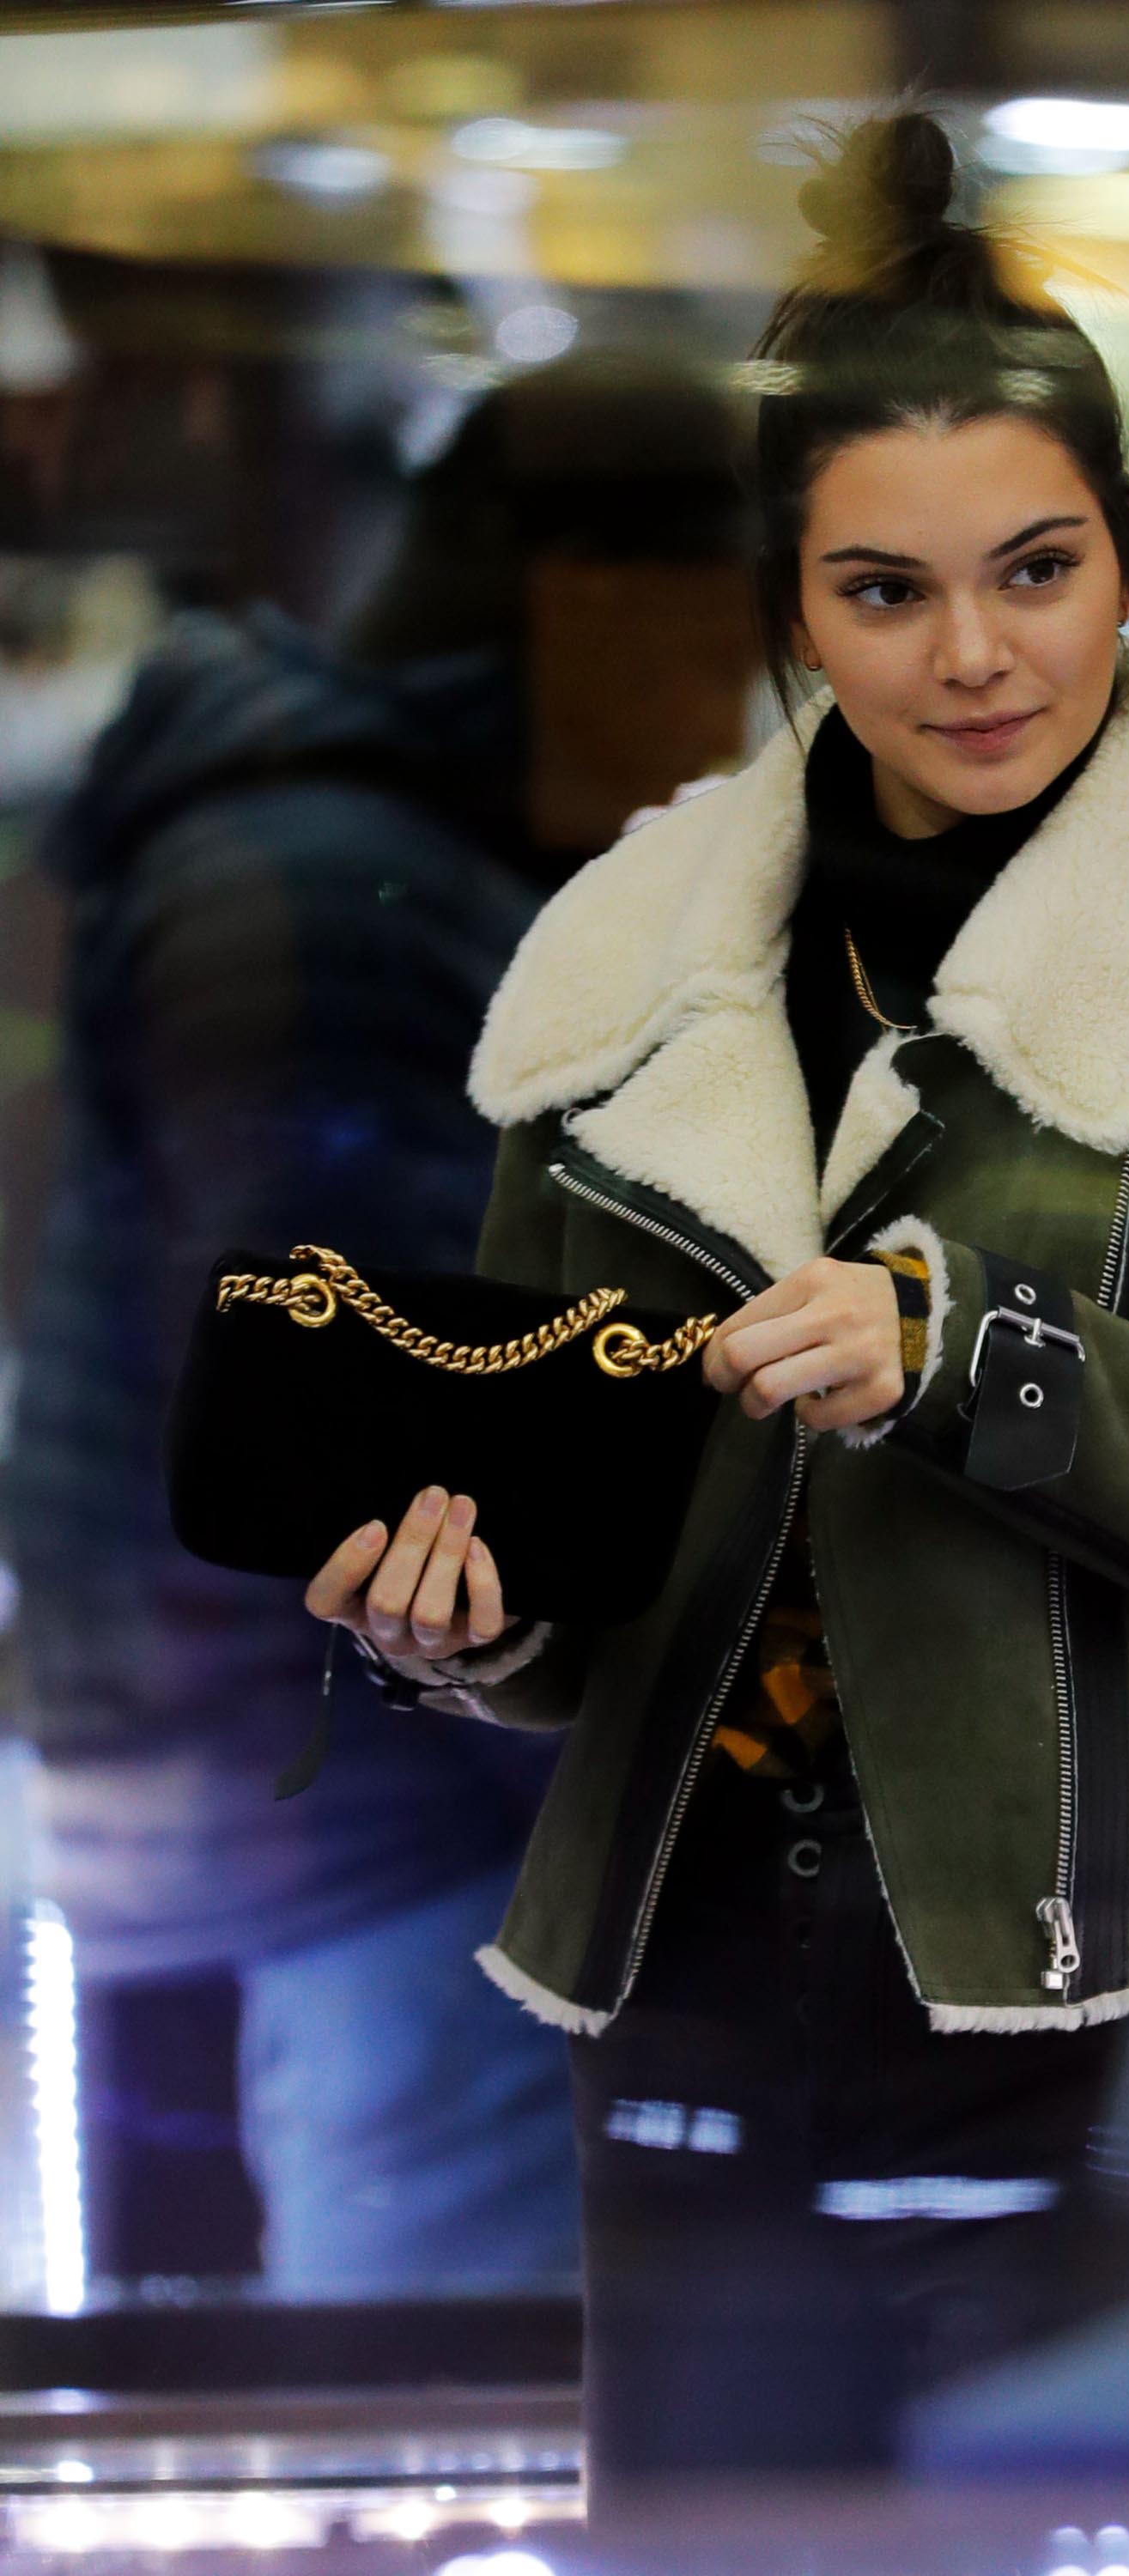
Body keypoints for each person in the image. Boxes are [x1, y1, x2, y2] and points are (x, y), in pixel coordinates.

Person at [302, 112, 1129, 2476]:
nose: (973, 655)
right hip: (682, 2018)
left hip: (1117, 2035)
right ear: (786, 604)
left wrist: (976, 1348)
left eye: (1038, 569)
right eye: (883, 591)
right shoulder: (628, 976)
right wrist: (470, 1625)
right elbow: (569, 1532)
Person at [3, 354, 755, 2297]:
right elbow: (384, 1447)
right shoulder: (339, 883)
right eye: (727, 645)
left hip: (292, 1791)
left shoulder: (339, 840)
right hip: (364, 1822)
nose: (738, 727)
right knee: (451, 2415)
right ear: (588, 599)